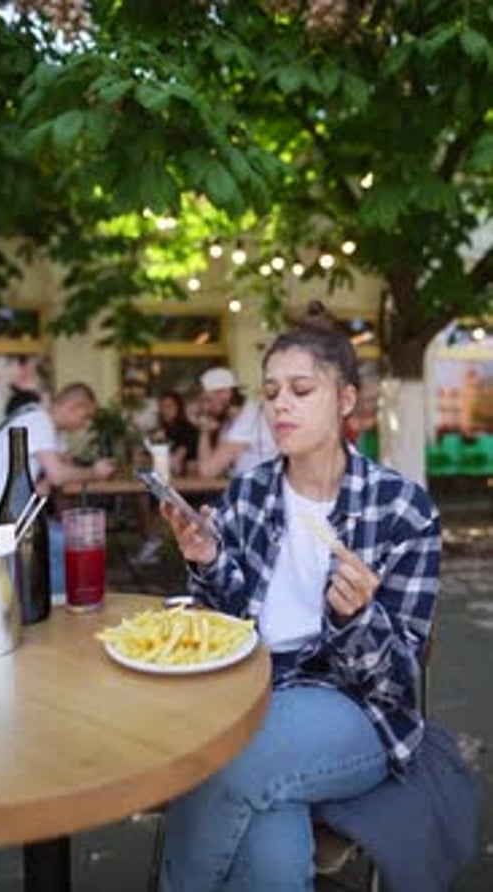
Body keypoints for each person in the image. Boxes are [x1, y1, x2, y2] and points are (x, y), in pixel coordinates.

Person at [158, 300, 442, 891]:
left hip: (353, 708)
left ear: (344, 401)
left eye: (301, 389)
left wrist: (359, 617)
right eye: (271, 391)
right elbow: (226, 627)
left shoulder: (401, 509)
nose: (280, 403)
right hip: (253, 690)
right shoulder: (249, 494)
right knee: (272, 845)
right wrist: (207, 562)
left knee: (224, 760)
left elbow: (400, 676)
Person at [0, 382, 115, 594]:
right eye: (85, 417)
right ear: (73, 407)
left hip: (15, 511)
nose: (85, 425)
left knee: (65, 535)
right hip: (2, 516)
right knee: (66, 542)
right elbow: (59, 475)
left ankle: (54, 600)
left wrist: (51, 478)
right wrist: (94, 472)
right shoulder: (40, 421)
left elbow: (60, 468)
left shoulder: (43, 421)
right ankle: (59, 606)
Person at [133, 390, 199, 564]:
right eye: (162, 407)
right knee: (139, 494)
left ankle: (151, 540)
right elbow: (144, 457)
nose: (165, 410)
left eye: (169, 406)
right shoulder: (159, 431)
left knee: (141, 496)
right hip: (164, 480)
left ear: (179, 408)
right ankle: (150, 540)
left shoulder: (188, 430)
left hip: (187, 485)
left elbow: (178, 465)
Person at [196, 366, 277, 478]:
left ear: (225, 393)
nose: (205, 408)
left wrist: (204, 432)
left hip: (263, 491)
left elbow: (207, 471)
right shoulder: (231, 422)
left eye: (208, 400)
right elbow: (217, 466)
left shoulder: (248, 420)